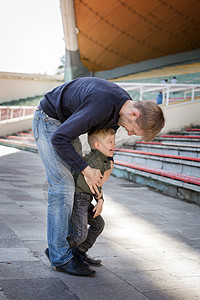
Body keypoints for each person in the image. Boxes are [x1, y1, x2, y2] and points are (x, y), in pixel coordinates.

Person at [32, 77, 165, 277]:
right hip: (49, 121)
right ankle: (59, 256)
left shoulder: (121, 111)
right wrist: (85, 168)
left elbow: (104, 152)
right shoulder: (102, 104)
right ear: (135, 114)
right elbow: (59, 139)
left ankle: (72, 252)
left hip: (65, 127)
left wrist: (100, 195)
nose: (129, 134)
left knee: (75, 187)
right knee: (63, 187)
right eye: (134, 130)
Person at [67, 128, 115, 267]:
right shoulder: (92, 162)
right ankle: (57, 250)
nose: (114, 145)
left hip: (86, 199)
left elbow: (96, 183)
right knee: (80, 235)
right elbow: (87, 184)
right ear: (97, 145)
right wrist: (99, 199)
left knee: (98, 224)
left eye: (114, 142)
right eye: (110, 142)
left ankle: (80, 253)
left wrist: (99, 199)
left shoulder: (102, 160)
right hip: (79, 199)